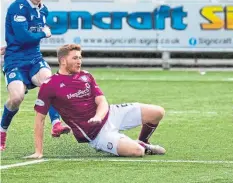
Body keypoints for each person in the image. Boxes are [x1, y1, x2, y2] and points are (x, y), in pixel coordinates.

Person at [26, 44, 166, 158]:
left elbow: (102, 101)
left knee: (158, 112)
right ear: (63, 60)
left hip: (110, 113)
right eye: (75, 58)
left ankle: (143, 141)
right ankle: (140, 146)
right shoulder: (49, 85)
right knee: (137, 152)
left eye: (80, 57)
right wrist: (39, 151)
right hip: (96, 134)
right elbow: (40, 119)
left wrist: (98, 116)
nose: (79, 61)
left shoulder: (86, 76)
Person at [1, 0, 70, 151]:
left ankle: (56, 124)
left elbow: (27, 39)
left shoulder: (43, 10)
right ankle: (2, 130)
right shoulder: (18, 8)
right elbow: (24, 37)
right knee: (16, 98)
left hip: (34, 59)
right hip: (15, 60)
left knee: (50, 84)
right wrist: (44, 34)